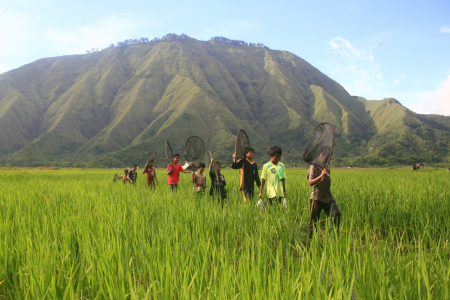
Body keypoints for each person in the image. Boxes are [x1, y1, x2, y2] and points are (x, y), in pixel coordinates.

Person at [307, 146, 341, 238]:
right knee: (314, 222)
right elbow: (310, 182)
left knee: (336, 213)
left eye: (328, 155)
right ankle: (311, 240)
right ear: (320, 155)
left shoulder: (327, 166)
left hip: (328, 196)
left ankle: (334, 237)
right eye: (325, 155)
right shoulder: (313, 166)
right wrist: (321, 175)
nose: (327, 157)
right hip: (316, 197)